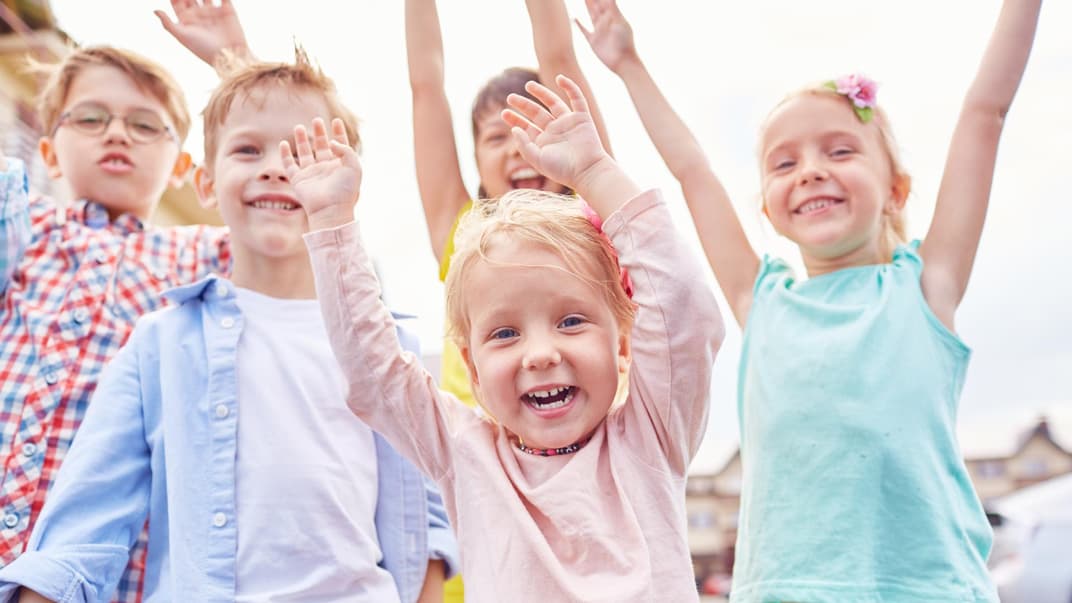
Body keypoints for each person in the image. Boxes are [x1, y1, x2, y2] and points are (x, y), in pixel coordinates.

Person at [578, 0, 1042, 600]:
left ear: (896, 190)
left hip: (926, 588)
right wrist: (629, 64)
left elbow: (985, 113)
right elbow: (693, 171)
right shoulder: (760, 299)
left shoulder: (928, 286)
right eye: (785, 162)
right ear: (768, 210)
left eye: (841, 151)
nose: (811, 171)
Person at [0, 51, 457, 603]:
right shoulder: (160, 344)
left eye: (303, 152)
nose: (277, 168)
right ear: (206, 183)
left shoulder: (387, 347)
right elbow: (82, 530)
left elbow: (425, 527)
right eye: (248, 150)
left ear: (349, 181)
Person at [295, 74, 723, 602]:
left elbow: (684, 306)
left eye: (571, 321)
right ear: (472, 370)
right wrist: (331, 223)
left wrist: (595, 172)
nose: (540, 354)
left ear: (622, 346)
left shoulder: (650, 435)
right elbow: (373, 370)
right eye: (504, 333)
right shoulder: (466, 454)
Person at [0, 45, 229, 602]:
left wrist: (230, 60)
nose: (118, 133)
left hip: (107, 573)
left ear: (183, 168)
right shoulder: (24, 224)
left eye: (145, 124)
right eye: (91, 118)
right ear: (50, 153)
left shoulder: (201, 257)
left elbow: (282, 198)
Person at [405, 0, 613, 418]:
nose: (519, 146)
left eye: (535, 128)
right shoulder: (462, 233)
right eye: (497, 137)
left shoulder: (593, 220)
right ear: (476, 159)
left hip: (582, 431)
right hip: (480, 442)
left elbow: (559, 56)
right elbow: (426, 87)